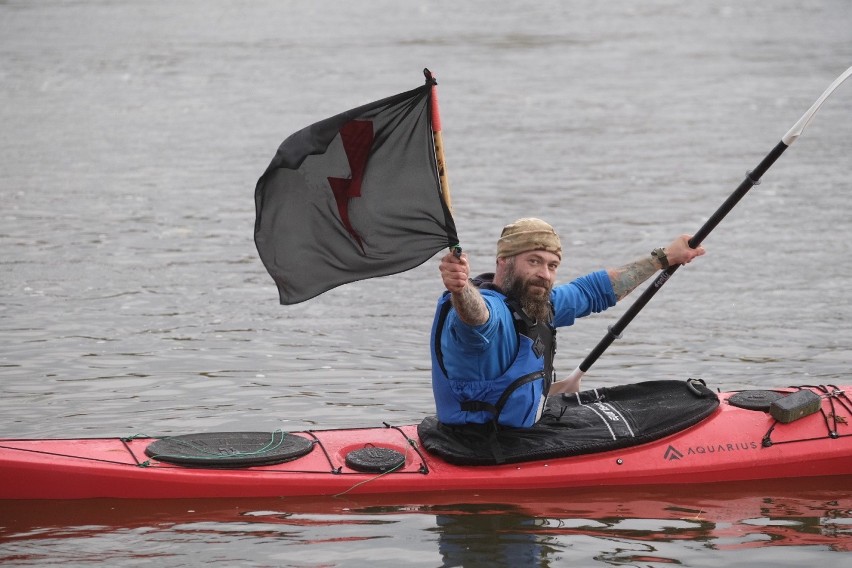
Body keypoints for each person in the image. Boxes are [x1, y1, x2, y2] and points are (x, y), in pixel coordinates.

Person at [430, 218, 705, 429]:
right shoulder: (490, 312)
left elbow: (593, 291)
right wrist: (461, 288)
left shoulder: (533, 302)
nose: (544, 274)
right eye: (534, 261)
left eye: (552, 265)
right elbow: (478, 318)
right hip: (477, 447)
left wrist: (664, 258)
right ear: (503, 261)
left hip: (518, 434)